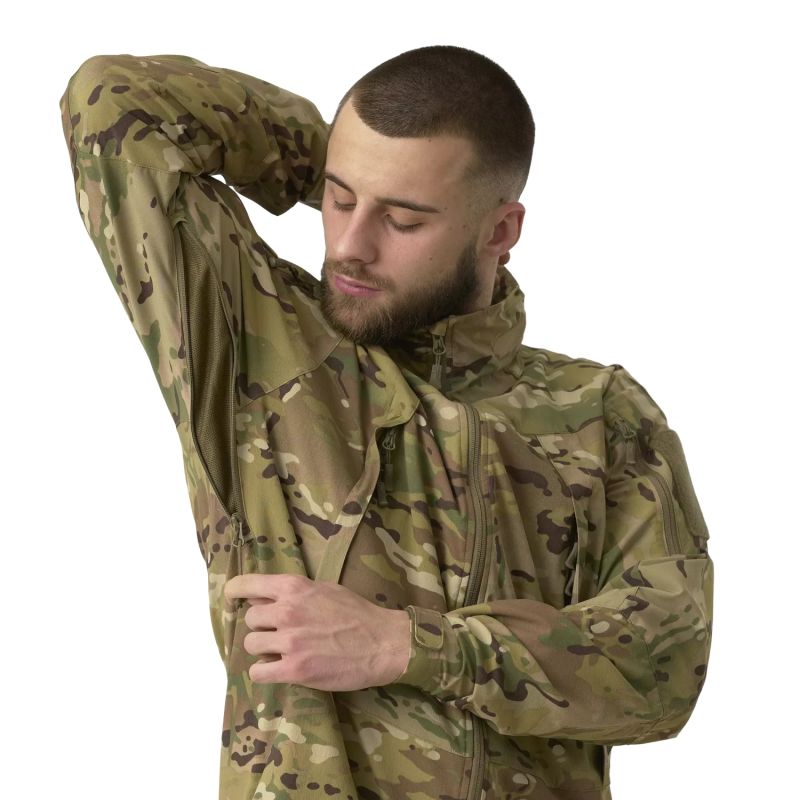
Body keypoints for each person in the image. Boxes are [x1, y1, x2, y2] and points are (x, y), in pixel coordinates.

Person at [59, 46, 713, 800]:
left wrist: (406, 645)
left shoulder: (602, 412)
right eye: (339, 200)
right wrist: (344, 158)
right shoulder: (257, 345)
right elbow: (111, 101)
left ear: (500, 231)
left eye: (403, 218)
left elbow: (665, 669)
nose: (349, 247)